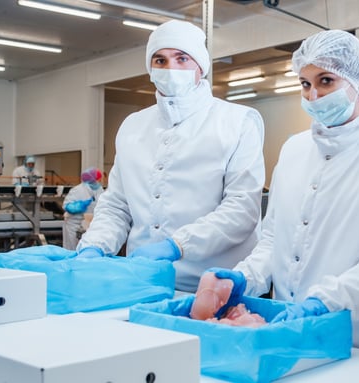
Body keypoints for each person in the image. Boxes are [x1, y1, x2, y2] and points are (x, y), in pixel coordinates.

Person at [205, 30, 359, 358]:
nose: (313, 95)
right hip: (296, 329)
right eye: (305, 83)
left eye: (326, 80)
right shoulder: (294, 150)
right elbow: (275, 240)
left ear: (357, 82)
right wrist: (246, 277)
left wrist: (327, 301)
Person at [76, 20, 266, 292]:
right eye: (160, 60)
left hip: (215, 286)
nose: (171, 69)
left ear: (201, 66)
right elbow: (117, 205)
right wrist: (95, 245)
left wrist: (178, 245)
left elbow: (241, 210)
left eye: (182, 58)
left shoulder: (236, 122)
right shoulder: (133, 126)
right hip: (144, 281)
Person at [62, 167, 104, 250]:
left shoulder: (100, 190)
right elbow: (66, 206)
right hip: (74, 225)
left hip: (90, 224)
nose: (98, 181)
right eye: (97, 179)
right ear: (92, 179)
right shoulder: (78, 190)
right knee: (72, 249)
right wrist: (78, 206)